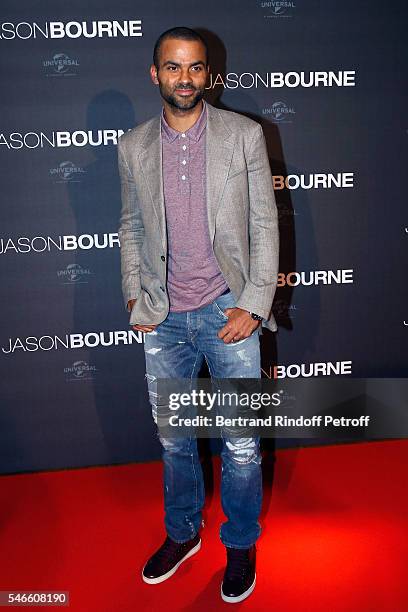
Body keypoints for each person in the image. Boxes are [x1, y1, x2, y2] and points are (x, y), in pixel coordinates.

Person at [118, 26, 279, 604]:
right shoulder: (134, 144)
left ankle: (240, 546)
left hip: (227, 312)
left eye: (195, 68)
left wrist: (255, 304)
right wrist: (135, 296)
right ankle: (183, 534)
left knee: (239, 443)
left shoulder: (243, 135)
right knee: (174, 439)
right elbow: (132, 223)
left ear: (209, 74)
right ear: (154, 72)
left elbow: (264, 222)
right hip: (163, 319)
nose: (184, 78)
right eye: (172, 67)